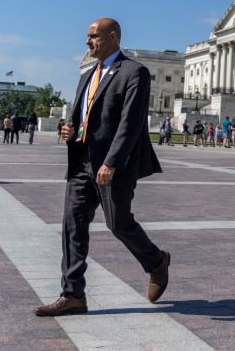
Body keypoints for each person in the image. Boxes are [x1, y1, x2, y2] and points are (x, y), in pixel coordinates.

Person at [35, 17, 169, 317]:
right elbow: (83, 117)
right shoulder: (87, 75)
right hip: (82, 161)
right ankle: (73, 295)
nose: (87, 42)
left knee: (118, 223)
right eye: (87, 36)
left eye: (93, 36)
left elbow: (131, 123)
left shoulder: (135, 72)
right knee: (73, 225)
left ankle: (156, 261)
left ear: (112, 36)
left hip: (113, 165)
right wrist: (70, 129)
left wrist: (112, 161)